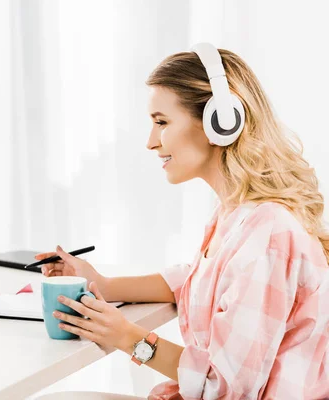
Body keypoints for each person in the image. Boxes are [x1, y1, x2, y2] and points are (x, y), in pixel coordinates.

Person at [35, 43, 329, 399]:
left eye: (162, 122)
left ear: (220, 122)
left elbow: (224, 386)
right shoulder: (237, 215)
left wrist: (127, 337)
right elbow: (195, 279)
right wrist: (102, 283)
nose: (150, 142)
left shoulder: (268, 234)